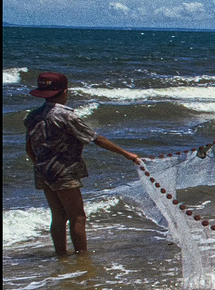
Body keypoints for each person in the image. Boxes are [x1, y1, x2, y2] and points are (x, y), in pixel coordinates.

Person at [23, 72, 140, 255]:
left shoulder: (32, 116)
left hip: (42, 171)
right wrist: (128, 155)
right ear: (64, 92)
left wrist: (42, 166)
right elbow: (96, 139)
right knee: (77, 216)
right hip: (64, 171)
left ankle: (61, 256)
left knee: (58, 216)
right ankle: (82, 257)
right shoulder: (66, 115)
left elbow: (29, 149)